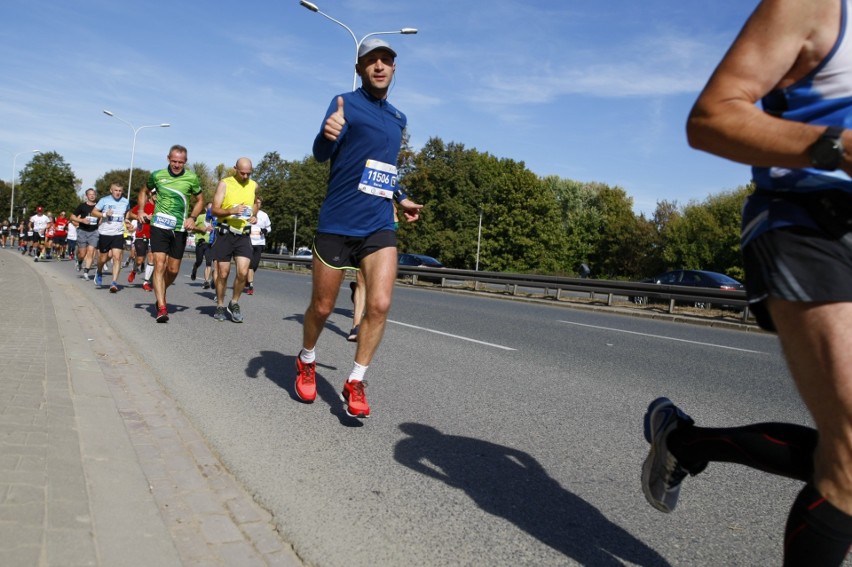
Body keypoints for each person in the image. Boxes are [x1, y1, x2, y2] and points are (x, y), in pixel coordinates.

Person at [642, 1, 852, 565]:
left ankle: (685, 442)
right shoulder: (813, 7)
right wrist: (836, 144)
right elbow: (710, 117)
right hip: (806, 221)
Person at [294, 38, 423, 418]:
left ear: (394, 68)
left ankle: (356, 380)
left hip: (379, 223)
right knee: (322, 307)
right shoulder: (344, 104)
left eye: (386, 60)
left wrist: (400, 197)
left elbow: (383, 167)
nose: (379, 66)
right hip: (337, 221)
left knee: (380, 304)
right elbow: (321, 154)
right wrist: (326, 134)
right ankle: (306, 357)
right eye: (371, 61)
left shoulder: (399, 118)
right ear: (359, 69)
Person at [137, 144, 203, 323]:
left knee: (173, 269)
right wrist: (141, 210)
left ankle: (160, 289)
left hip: (180, 228)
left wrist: (193, 217)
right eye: (174, 161)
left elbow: (200, 200)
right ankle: (162, 306)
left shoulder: (191, 178)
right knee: (159, 264)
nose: (176, 165)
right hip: (159, 225)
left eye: (180, 162)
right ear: (168, 158)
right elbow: (143, 191)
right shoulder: (157, 176)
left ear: (185, 162)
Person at [209, 157, 258, 323]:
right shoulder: (225, 183)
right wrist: (232, 210)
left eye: (248, 173)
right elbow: (214, 210)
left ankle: (234, 302)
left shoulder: (253, 185)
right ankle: (221, 305)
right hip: (225, 233)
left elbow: (256, 203)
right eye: (242, 173)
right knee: (223, 273)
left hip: (243, 234)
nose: (245, 176)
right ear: (235, 168)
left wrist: (254, 216)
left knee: (243, 272)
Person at [91, 182, 131, 292]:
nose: (118, 193)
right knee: (103, 258)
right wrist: (104, 215)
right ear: (111, 190)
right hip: (105, 233)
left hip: (118, 233)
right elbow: (94, 212)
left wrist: (126, 219)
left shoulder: (125, 201)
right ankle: (99, 271)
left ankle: (114, 283)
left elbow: (127, 211)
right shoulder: (104, 200)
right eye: (116, 190)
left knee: (117, 257)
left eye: (120, 191)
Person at [127, 193, 156, 291]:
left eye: (159, 193)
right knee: (139, 260)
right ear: (151, 194)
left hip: (155, 236)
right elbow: (130, 213)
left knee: (151, 258)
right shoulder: (144, 205)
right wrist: (142, 217)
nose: (157, 195)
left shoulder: (161, 207)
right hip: (141, 235)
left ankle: (146, 282)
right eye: (155, 193)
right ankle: (134, 271)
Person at [71, 188, 100, 279]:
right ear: (86, 196)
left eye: (93, 194)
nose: (92, 196)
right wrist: (81, 220)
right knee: (82, 254)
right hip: (82, 231)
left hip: (94, 231)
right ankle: (79, 262)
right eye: (90, 194)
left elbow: (102, 217)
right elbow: (72, 217)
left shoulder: (99, 206)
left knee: (91, 251)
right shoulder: (82, 206)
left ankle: (86, 272)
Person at [246, 196, 271, 296]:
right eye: (256, 202)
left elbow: (269, 227)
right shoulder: (248, 213)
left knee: (255, 265)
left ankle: (248, 279)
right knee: (250, 265)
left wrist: (265, 230)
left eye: (260, 203)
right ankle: (251, 286)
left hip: (260, 242)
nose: (258, 204)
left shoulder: (264, 215)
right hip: (249, 241)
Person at [190, 203, 216, 290]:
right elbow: (192, 226)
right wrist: (202, 229)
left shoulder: (214, 219)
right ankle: (195, 267)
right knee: (199, 261)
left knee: (209, 262)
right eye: (210, 208)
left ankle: (206, 281)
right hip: (200, 242)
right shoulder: (201, 217)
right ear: (206, 209)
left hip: (209, 243)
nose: (211, 209)